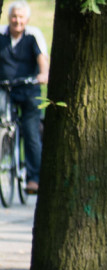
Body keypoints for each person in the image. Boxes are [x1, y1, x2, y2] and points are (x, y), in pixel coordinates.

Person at [0, 1, 48, 195]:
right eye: (14, 16)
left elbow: (42, 60)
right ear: (9, 18)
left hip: (29, 89)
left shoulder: (32, 37)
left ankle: (33, 178)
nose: (17, 20)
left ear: (26, 20)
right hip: (6, 89)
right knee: (3, 123)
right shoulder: (1, 36)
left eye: (20, 17)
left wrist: (43, 74)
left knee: (30, 132)